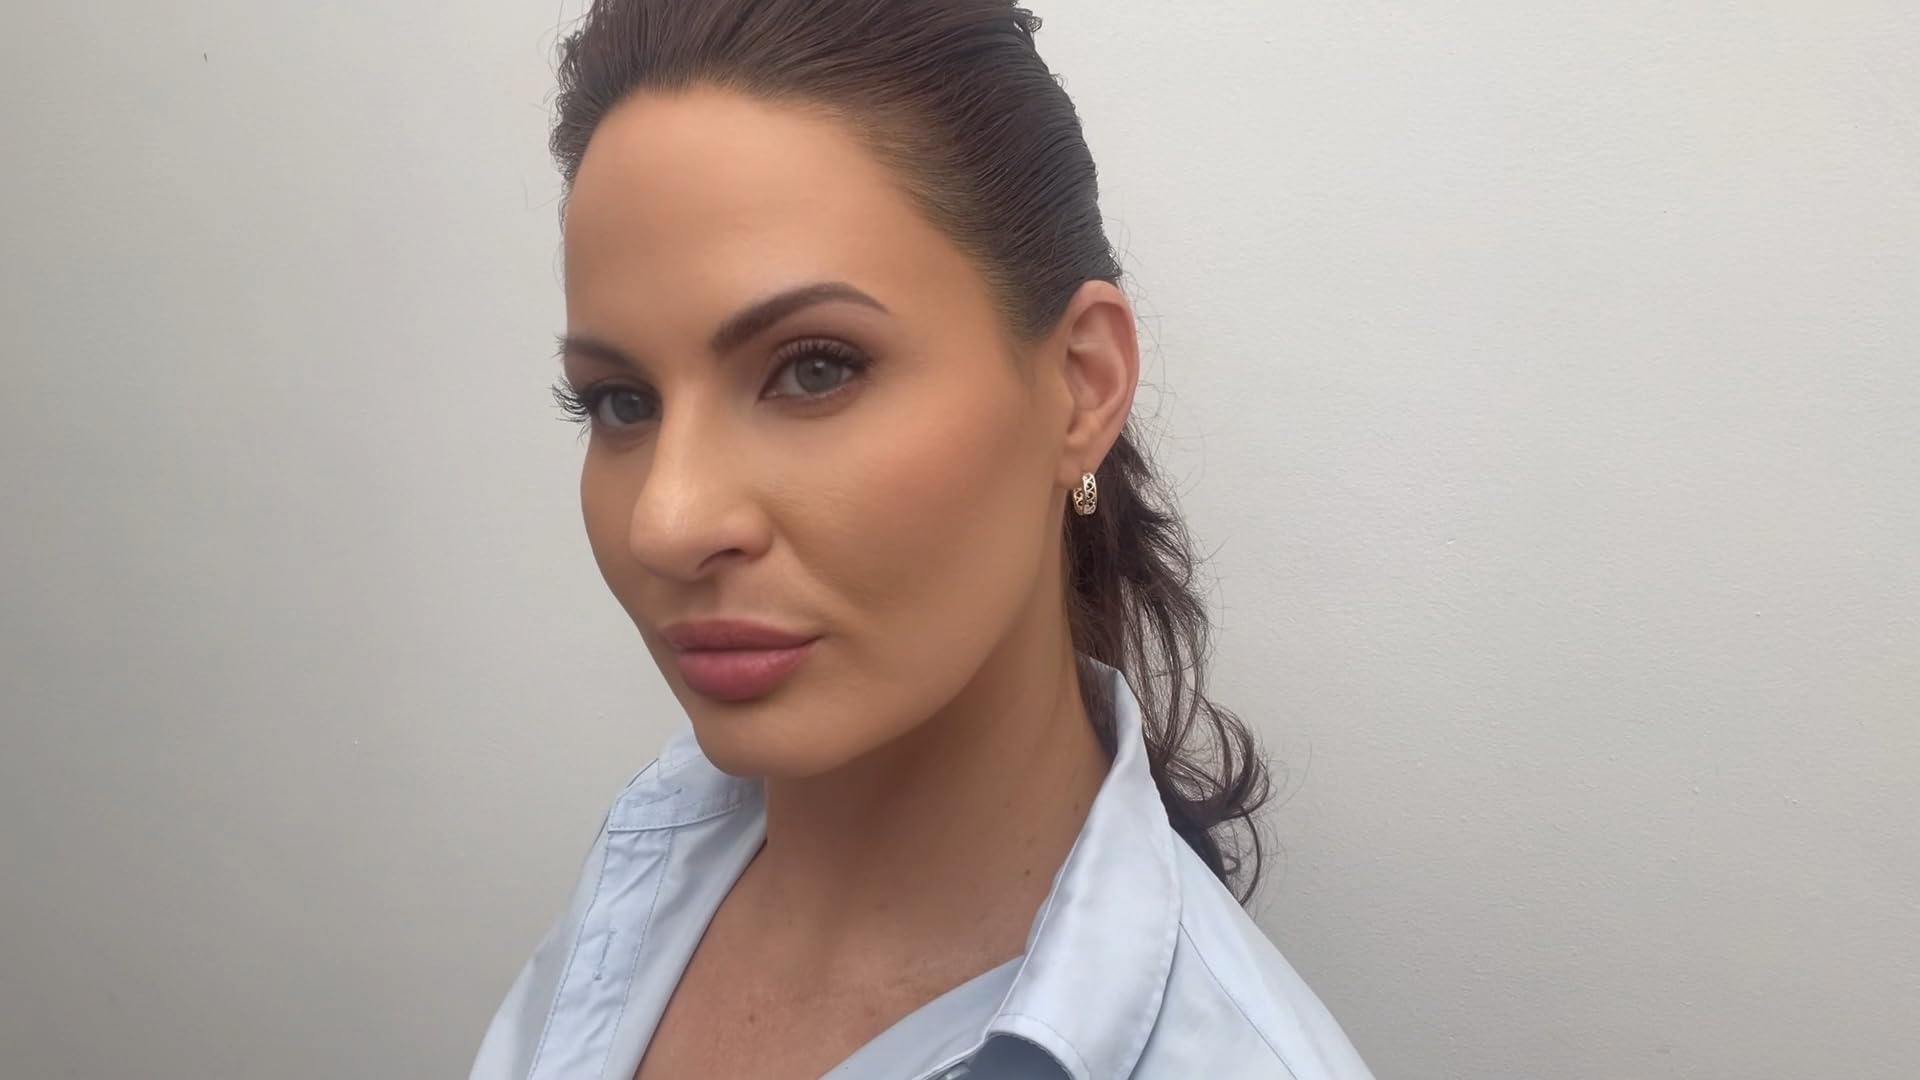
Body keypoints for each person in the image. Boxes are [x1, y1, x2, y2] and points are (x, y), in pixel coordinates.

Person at [471, 2, 1374, 1077]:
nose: (665, 523)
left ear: (1081, 386)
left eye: (815, 369)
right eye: (621, 402)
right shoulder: (658, 846)